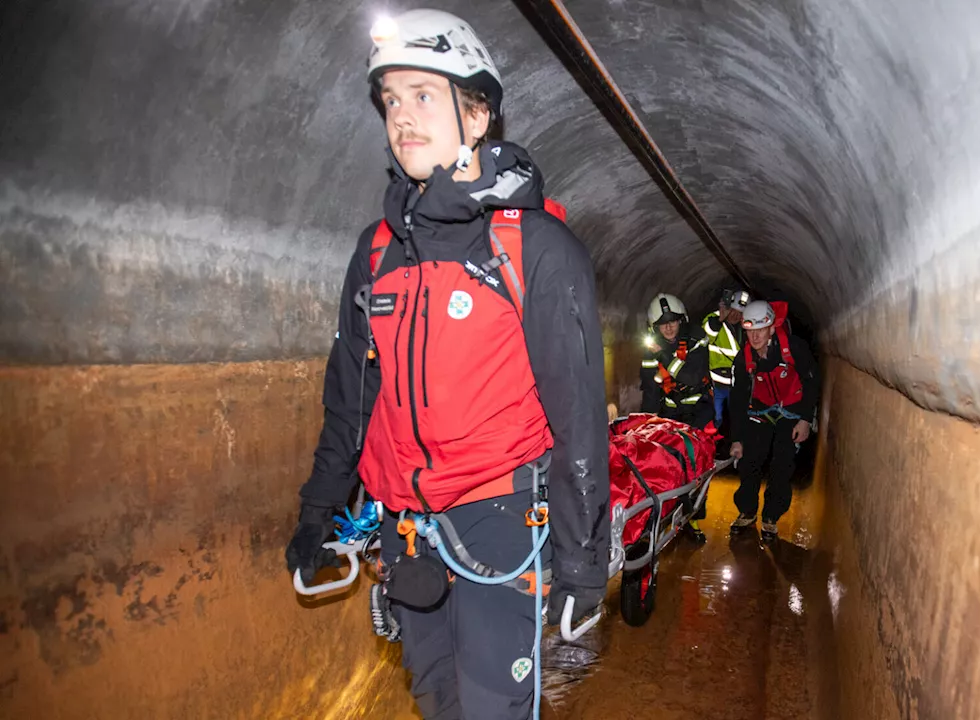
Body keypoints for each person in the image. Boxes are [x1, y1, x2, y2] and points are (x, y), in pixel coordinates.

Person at [284, 9, 610, 718]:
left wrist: (584, 559)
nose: (402, 116)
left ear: (480, 112)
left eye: (424, 96)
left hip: (500, 522)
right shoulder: (375, 255)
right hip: (406, 532)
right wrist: (318, 511)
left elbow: (579, 418)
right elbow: (351, 400)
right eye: (391, 100)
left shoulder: (536, 249)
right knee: (440, 704)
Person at [727, 300, 819, 542]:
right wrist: (737, 438)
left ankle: (771, 517)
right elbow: (737, 400)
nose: (755, 336)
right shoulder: (743, 359)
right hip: (760, 412)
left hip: (791, 411)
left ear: (771, 328)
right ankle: (747, 511)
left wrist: (805, 420)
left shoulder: (794, 348)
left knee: (782, 463)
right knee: (750, 461)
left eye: (760, 329)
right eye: (750, 330)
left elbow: (811, 382)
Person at [639, 292, 715, 542]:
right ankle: (667, 516)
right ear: (655, 326)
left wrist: (664, 356)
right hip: (670, 411)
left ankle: (693, 518)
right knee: (667, 465)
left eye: (672, 321)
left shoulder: (696, 338)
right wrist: (646, 424)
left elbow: (693, 377)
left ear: (681, 320)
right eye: (663, 323)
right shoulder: (650, 348)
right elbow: (650, 387)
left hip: (698, 410)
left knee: (696, 466)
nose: (669, 327)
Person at [702, 287, 751, 429]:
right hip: (716, 384)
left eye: (740, 313)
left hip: (736, 384)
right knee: (715, 418)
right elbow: (706, 334)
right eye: (733, 310)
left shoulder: (746, 327)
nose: (735, 315)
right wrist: (720, 320)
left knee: (736, 416)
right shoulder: (714, 319)